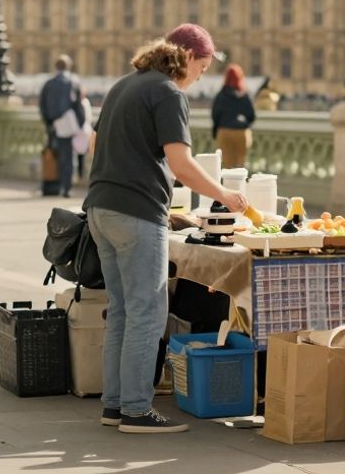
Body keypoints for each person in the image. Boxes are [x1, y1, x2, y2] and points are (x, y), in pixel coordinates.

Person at [85, 24, 248, 434]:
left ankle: (115, 404)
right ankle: (137, 411)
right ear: (188, 58)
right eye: (203, 66)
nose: (201, 77)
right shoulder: (168, 93)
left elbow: (93, 145)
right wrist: (225, 196)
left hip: (101, 208)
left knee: (122, 311)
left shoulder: (125, 84)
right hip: (137, 214)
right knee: (147, 314)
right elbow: (181, 165)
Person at [39, 55, 85, 198]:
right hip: (68, 125)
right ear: (68, 67)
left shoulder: (48, 83)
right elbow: (78, 106)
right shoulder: (73, 82)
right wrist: (81, 123)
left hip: (53, 124)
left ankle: (51, 185)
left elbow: (42, 105)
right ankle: (66, 187)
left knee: (52, 154)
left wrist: (48, 123)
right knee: (67, 156)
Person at [211, 64, 256, 168]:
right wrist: (244, 123)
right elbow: (252, 115)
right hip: (242, 132)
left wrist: (216, 130)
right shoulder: (244, 95)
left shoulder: (221, 95)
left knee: (227, 166)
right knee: (240, 166)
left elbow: (215, 115)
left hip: (224, 131)